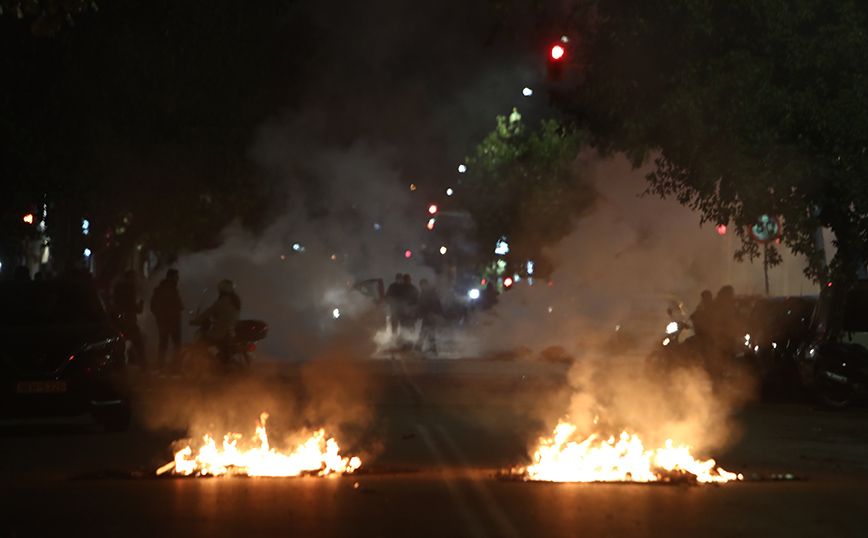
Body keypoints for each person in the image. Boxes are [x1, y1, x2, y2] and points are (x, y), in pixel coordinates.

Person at [190, 279, 241, 365]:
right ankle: (221, 362)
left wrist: (195, 321)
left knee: (204, 341)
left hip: (221, 332)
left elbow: (207, 313)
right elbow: (225, 315)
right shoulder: (235, 302)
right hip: (231, 331)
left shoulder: (221, 302)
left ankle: (217, 361)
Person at [150, 269, 184, 375]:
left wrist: (159, 316)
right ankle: (176, 368)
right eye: (176, 276)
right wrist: (180, 307)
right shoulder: (172, 289)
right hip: (173, 321)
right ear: (172, 277)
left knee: (163, 344)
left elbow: (153, 306)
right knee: (177, 345)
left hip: (162, 321)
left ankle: (161, 368)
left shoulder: (158, 289)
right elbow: (177, 304)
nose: (178, 279)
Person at [113, 270, 146, 371]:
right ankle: (143, 368)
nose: (134, 280)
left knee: (125, 346)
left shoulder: (125, 289)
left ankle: (121, 367)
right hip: (127, 323)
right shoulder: (126, 289)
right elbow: (128, 307)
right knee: (138, 345)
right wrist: (139, 305)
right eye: (132, 278)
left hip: (124, 322)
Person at [415, 278, 443, 354]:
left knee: (426, 330)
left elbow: (423, 305)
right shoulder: (429, 292)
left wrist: (421, 313)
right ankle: (431, 347)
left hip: (429, 315)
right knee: (429, 331)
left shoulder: (427, 293)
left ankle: (420, 346)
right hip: (429, 315)